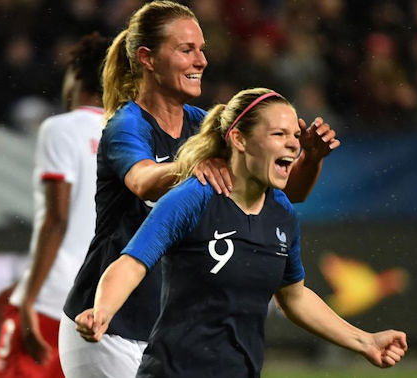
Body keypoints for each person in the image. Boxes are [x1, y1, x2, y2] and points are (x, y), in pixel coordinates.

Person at [60, 2, 339, 377]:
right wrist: (194, 165)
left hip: (164, 334)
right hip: (109, 327)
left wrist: (312, 159)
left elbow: (289, 194)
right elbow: (142, 182)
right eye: (186, 49)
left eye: (202, 49)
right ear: (148, 58)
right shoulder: (127, 125)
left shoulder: (201, 126)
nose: (201, 61)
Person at [75, 87, 408, 377]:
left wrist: (366, 341)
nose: (293, 145)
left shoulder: (282, 213)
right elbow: (133, 262)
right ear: (239, 139)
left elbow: (294, 297)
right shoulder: (194, 197)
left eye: (295, 135)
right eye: (279, 134)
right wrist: (102, 311)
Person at [0, 34, 111, 378]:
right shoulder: (130, 136)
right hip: (102, 308)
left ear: (76, 76)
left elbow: (57, 220)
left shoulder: (61, 129)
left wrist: (26, 299)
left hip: (52, 302)